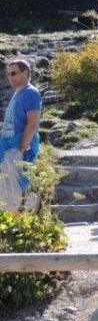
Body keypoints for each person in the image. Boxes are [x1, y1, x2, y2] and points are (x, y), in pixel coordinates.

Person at [0, 60, 42, 214]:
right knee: (7, 191)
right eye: (8, 74)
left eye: (13, 73)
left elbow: (33, 124)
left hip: (18, 149)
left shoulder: (31, 93)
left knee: (16, 192)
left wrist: (21, 148)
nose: (10, 77)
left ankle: (19, 228)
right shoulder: (18, 93)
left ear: (26, 73)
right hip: (9, 149)